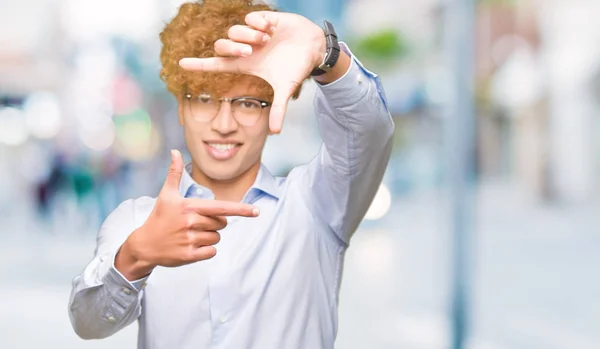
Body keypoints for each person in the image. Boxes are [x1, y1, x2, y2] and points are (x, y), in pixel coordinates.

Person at [68, 0, 394, 348]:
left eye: (248, 103)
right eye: (205, 99)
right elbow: (88, 323)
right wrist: (135, 256)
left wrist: (326, 54)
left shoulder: (317, 203)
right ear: (181, 107)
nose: (224, 125)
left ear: (274, 109)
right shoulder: (136, 220)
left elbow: (368, 130)